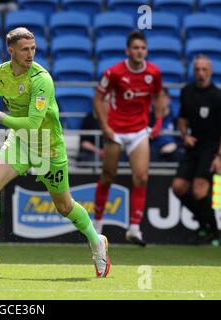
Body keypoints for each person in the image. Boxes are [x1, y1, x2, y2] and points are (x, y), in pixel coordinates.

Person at [0, 27, 110, 278]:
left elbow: (32, 123)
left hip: (48, 147)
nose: (30, 54)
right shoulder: (0, 73)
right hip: (20, 142)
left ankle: (96, 242)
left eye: (33, 48)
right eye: (24, 49)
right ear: (11, 50)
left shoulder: (41, 79)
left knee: (64, 206)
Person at [92, 31, 165, 246]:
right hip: (116, 131)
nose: (139, 51)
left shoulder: (154, 72)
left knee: (141, 178)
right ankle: (96, 225)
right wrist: (104, 126)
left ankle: (134, 229)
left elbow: (159, 96)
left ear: (146, 51)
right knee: (108, 176)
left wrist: (158, 122)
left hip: (139, 131)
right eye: (135, 48)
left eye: (142, 48)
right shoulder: (113, 72)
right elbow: (98, 97)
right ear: (128, 50)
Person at [171, 54, 221, 246]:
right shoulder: (187, 92)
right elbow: (182, 118)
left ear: (210, 71)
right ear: (193, 71)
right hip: (193, 146)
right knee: (178, 188)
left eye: (204, 69)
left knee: (200, 191)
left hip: (211, 147)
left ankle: (213, 231)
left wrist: (218, 156)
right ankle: (204, 225)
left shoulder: (217, 96)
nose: (200, 73)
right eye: (197, 70)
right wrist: (184, 135)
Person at [150, 88, 182, 163]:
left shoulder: (175, 118)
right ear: (152, 101)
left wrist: (176, 145)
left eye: (163, 97)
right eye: (156, 97)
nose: (160, 100)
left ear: (169, 99)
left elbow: (183, 137)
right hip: (153, 149)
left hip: (172, 147)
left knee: (180, 154)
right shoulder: (148, 119)